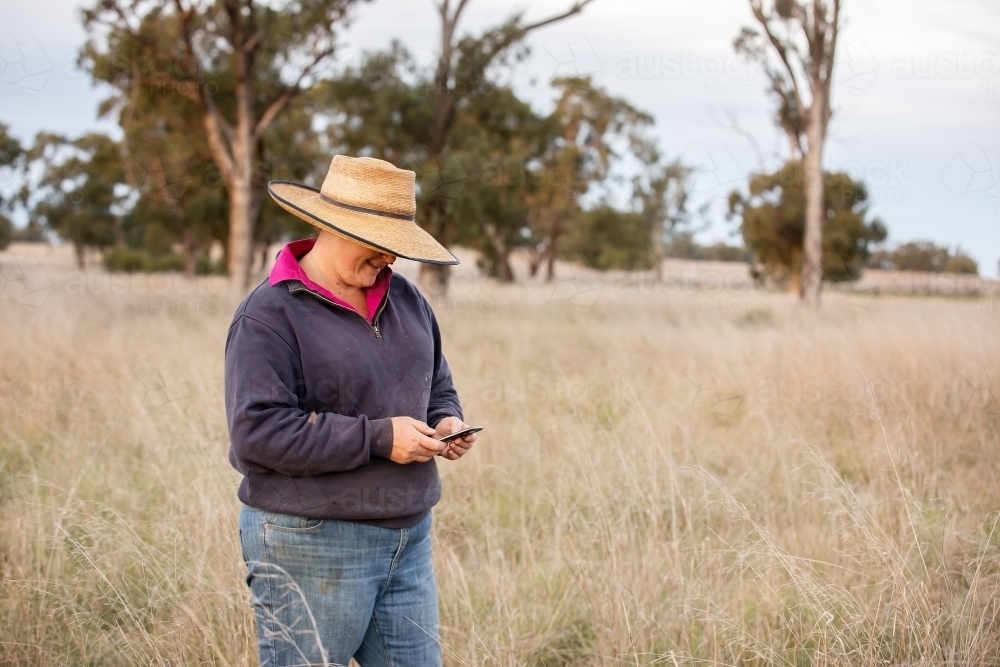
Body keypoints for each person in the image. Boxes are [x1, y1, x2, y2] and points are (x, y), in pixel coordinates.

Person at [225, 155, 477, 666]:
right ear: (330, 227)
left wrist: (447, 420)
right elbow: (258, 433)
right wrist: (381, 438)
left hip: (408, 538)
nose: (391, 259)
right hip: (310, 541)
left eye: (397, 248)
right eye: (379, 244)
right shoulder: (269, 314)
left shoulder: (408, 299)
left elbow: (438, 384)